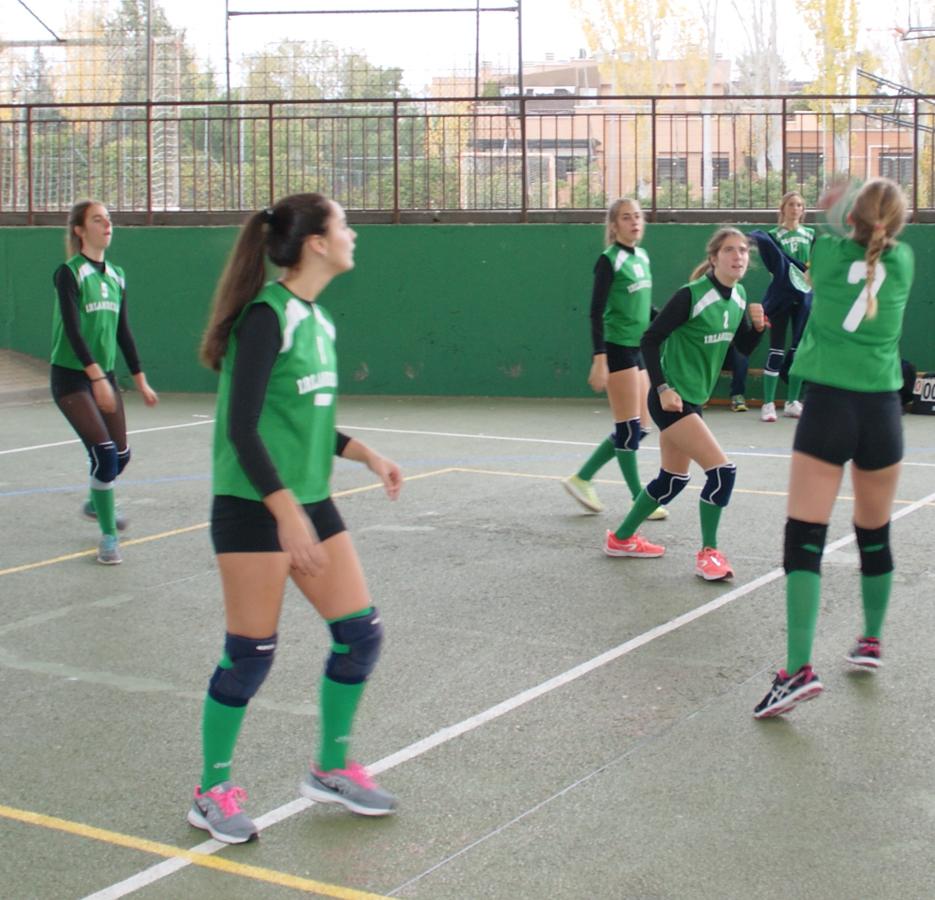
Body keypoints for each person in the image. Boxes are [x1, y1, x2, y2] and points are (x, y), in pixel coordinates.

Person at [189, 193, 403, 845]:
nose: (353, 234)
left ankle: (331, 769)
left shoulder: (320, 321)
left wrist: (364, 454)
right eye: (345, 225)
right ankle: (210, 791)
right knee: (250, 655)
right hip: (252, 507)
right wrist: (284, 512)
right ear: (315, 243)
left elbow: (304, 417)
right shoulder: (266, 317)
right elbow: (243, 426)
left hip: (309, 502)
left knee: (360, 635)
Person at [753, 178, 914, 718]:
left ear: (852, 219)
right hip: (882, 414)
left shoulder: (824, 254)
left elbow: (830, 228)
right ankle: (870, 640)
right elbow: (863, 231)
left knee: (804, 538)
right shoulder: (905, 262)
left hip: (828, 409)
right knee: (875, 533)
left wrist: (836, 203)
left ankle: (798, 670)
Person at [603, 228, 766, 580]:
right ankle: (709, 553)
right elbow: (650, 340)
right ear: (713, 257)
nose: (738, 256)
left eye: (743, 251)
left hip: (694, 397)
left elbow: (741, 349)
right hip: (672, 400)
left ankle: (621, 539)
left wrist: (757, 329)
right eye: (729, 250)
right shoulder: (691, 295)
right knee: (722, 473)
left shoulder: (739, 296)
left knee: (672, 479)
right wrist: (662, 388)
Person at [50, 200, 159, 565]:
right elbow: (73, 331)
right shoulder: (69, 273)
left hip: (105, 376)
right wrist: (95, 376)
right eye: (98, 220)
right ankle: (109, 537)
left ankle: (95, 502)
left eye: (109, 219)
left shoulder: (117, 275)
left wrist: (140, 379)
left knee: (121, 455)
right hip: (71, 378)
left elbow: (122, 331)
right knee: (105, 454)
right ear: (80, 230)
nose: (107, 224)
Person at [562, 197, 667, 521]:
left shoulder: (642, 257)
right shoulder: (609, 260)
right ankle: (639, 499)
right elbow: (596, 311)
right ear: (613, 225)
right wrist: (600, 358)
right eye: (626, 217)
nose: (634, 222)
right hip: (617, 347)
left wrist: (668, 322)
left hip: (638, 348)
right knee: (628, 427)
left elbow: (645, 307)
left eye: (637, 216)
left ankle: (582, 477)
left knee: (642, 427)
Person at [749, 191, 815, 422]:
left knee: (799, 350)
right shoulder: (772, 236)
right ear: (783, 208)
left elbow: (813, 265)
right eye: (791, 204)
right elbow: (775, 267)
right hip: (781, 296)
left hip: (804, 296)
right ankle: (768, 404)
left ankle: (792, 402)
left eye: (799, 205)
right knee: (776, 349)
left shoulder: (810, 234)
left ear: (803, 210)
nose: (795, 208)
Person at [724, 342, 750, 412]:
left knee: (741, 352)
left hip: (730, 355)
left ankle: (737, 395)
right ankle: (700, 397)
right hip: (712, 351)